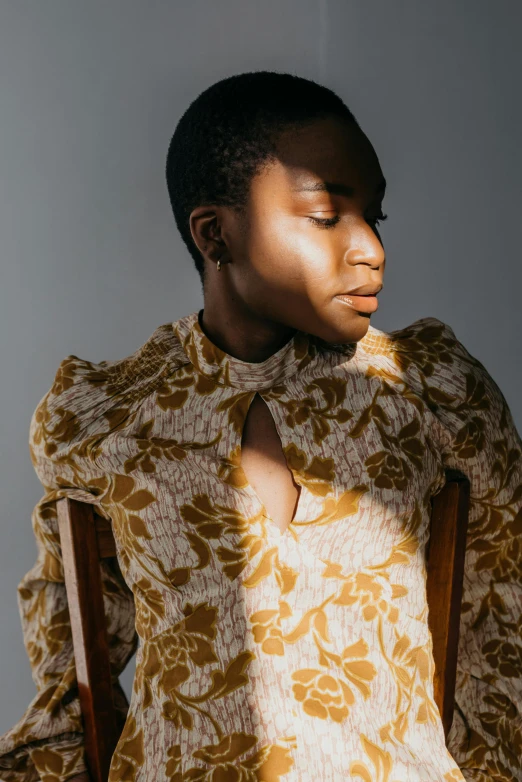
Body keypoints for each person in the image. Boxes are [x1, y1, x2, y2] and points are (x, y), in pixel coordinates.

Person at [0, 70, 520, 782]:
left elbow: (502, 631)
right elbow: (71, 679)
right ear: (216, 234)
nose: (371, 247)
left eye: (375, 216)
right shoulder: (108, 415)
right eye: (326, 214)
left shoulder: (426, 390)